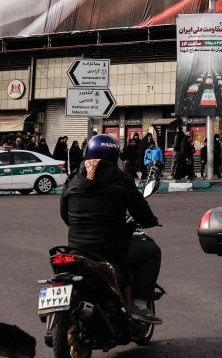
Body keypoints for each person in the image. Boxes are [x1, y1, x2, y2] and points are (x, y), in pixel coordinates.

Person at [60, 134, 163, 324]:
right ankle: (140, 304)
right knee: (153, 252)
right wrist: (150, 220)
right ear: (113, 155)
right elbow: (141, 212)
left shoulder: (73, 179)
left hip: (77, 249)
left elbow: (65, 215)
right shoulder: (121, 180)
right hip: (111, 249)